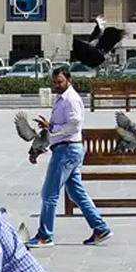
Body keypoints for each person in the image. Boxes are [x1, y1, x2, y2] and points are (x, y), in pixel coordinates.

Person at [26, 64, 111, 248]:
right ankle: (100, 228)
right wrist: (48, 130)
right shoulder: (61, 98)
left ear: (68, 80)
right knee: (76, 193)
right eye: (55, 82)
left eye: (60, 81)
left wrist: (52, 130)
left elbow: (74, 125)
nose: (57, 85)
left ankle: (44, 236)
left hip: (67, 150)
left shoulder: (71, 99)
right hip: (67, 149)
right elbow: (59, 126)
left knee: (49, 194)